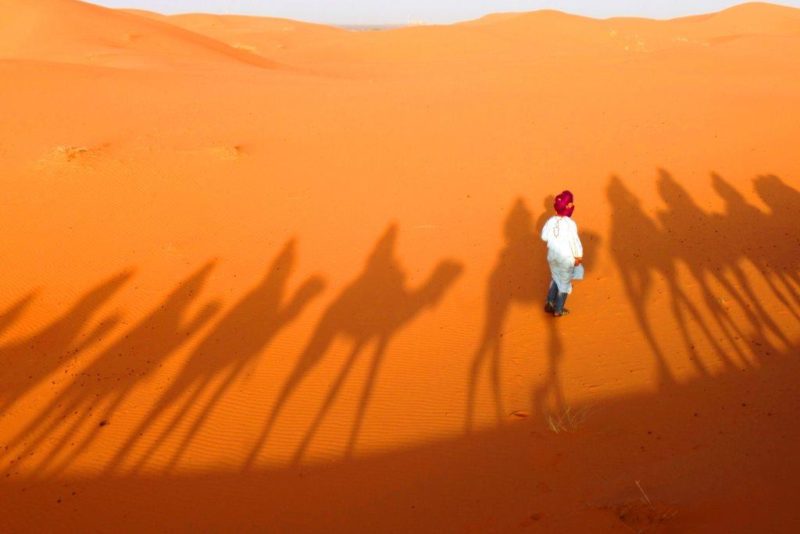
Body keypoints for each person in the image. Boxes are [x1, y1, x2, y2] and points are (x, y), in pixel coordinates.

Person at [541, 190, 583, 317]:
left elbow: (544, 237)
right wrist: (578, 256)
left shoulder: (550, 221)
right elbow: (575, 241)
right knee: (564, 283)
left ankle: (549, 302)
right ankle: (558, 309)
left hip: (552, 257)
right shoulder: (570, 224)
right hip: (565, 259)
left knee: (555, 277)